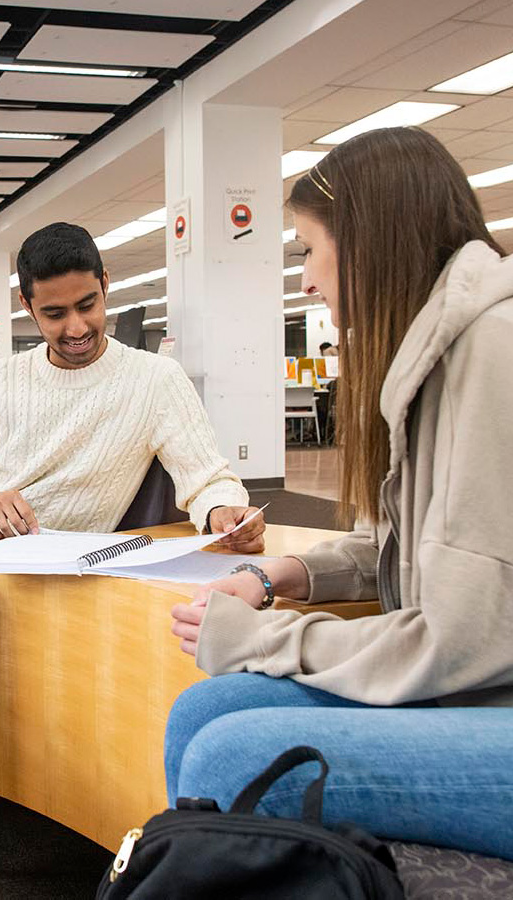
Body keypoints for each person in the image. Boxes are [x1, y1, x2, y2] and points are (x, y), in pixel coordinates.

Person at [167, 127, 513, 861]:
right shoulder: (436, 353)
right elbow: (406, 544)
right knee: (205, 711)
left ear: (367, 242)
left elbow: (461, 642)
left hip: (490, 698)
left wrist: (265, 639)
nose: (305, 281)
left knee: (231, 756)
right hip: (482, 694)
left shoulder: (494, 352)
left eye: (307, 250)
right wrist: (280, 574)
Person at [0, 221, 265, 754]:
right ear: (28, 306)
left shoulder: (155, 380)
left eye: (88, 305)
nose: (77, 327)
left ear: (105, 283)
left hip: (43, 564)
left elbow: (207, 478)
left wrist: (224, 512)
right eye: (55, 314)